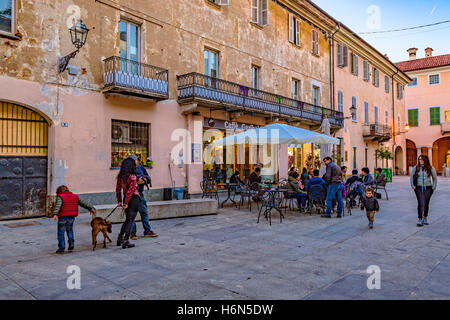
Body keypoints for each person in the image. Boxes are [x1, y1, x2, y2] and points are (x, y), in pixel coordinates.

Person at [52, 185, 95, 254]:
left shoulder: (61, 196)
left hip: (63, 217)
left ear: (59, 192)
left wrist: (55, 214)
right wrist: (90, 208)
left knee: (61, 232)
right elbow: (83, 203)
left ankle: (61, 248)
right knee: (70, 230)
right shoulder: (75, 196)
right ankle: (71, 244)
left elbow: (58, 205)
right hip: (72, 216)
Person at [127, 155, 158, 240]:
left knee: (144, 213)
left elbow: (148, 178)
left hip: (140, 195)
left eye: (136, 160)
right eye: (135, 160)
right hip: (131, 196)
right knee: (132, 215)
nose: (136, 161)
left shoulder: (141, 168)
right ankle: (132, 233)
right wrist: (136, 181)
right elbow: (126, 181)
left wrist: (144, 180)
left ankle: (147, 231)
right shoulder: (127, 169)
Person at [116, 158, 140, 249]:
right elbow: (131, 190)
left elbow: (118, 190)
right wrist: (126, 203)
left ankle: (120, 238)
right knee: (130, 220)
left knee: (127, 220)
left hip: (126, 198)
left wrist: (120, 201)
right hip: (134, 199)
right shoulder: (133, 176)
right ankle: (126, 240)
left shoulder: (120, 176)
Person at [411, 154, 438, 227]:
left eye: (422, 159)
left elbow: (435, 178)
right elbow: (411, 177)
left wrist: (433, 187)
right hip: (418, 188)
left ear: (425, 160)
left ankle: (425, 217)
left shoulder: (431, 168)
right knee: (420, 203)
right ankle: (420, 219)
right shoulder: (416, 168)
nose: (420, 161)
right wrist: (413, 186)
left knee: (426, 203)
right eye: (419, 159)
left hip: (428, 188)